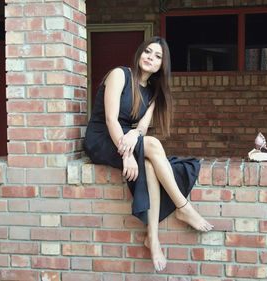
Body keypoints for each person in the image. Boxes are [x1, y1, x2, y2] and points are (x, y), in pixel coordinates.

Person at [84, 36, 213, 271]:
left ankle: (152, 238)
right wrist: (127, 155)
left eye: (157, 56)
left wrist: (134, 136)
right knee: (152, 146)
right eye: (147, 52)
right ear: (139, 53)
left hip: (126, 138)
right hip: (102, 138)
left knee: (152, 164)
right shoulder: (119, 74)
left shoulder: (153, 92)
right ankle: (183, 207)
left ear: (161, 65)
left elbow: (142, 127)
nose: (150, 58)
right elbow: (111, 119)